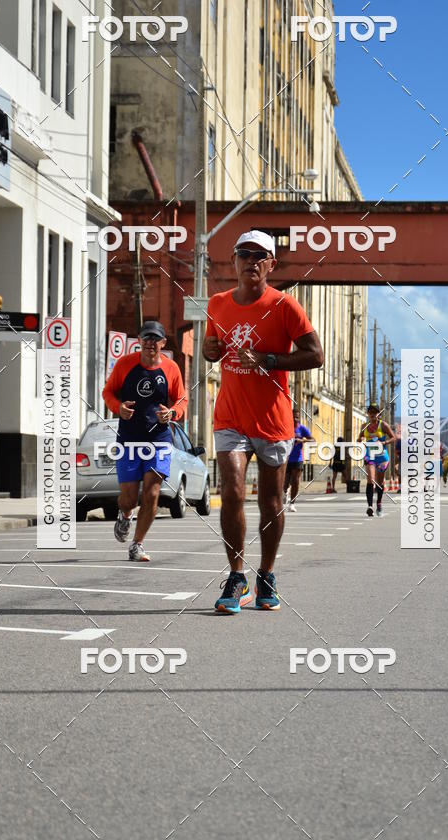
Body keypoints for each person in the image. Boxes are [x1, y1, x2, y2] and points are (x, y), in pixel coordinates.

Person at [203, 230, 323, 614]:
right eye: (245, 254)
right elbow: (211, 349)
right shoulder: (217, 304)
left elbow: (315, 355)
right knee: (232, 491)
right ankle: (236, 576)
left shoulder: (285, 306)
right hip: (230, 416)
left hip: (272, 420)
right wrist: (209, 350)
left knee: (271, 501)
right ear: (234, 260)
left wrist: (269, 360)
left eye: (260, 256)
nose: (251, 261)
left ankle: (266, 574)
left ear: (271, 264)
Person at [102, 321, 187, 561]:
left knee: (152, 492)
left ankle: (137, 544)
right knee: (129, 498)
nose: (150, 343)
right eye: (146, 338)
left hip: (159, 438)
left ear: (163, 343)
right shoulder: (124, 364)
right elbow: (108, 392)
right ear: (139, 341)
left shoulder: (171, 368)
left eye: (155, 339)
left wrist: (172, 413)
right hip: (129, 438)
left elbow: (181, 400)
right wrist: (118, 407)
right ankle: (125, 515)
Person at [357, 404, 396, 517]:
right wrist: (360, 439)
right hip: (369, 456)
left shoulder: (383, 425)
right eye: (370, 412)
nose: (373, 414)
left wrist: (384, 442)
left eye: (375, 412)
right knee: (370, 480)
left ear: (378, 413)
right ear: (368, 413)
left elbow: (393, 437)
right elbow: (360, 437)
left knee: (379, 482)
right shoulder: (364, 426)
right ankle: (370, 506)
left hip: (382, 457)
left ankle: (379, 503)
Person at [284, 409, 313, 512]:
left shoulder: (302, 428)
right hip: (285, 458)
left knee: (295, 481)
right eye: (293, 417)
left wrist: (302, 440)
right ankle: (285, 493)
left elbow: (312, 439)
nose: (295, 419)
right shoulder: (285, 427)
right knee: (285, 482)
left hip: (298, 458)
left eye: (297, 417)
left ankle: (292, 504)